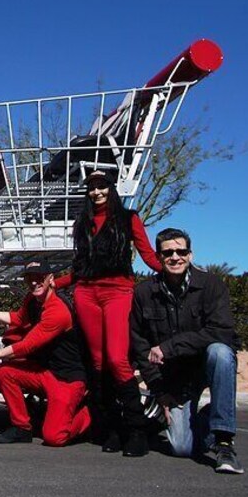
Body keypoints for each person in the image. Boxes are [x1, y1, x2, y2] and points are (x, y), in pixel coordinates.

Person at [55, 170, 163, 457]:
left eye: (102, 186)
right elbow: (80, 268)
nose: (96, 192)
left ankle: (136, 429)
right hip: (87, 293)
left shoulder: (130, 219)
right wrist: (53, 283)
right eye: (91, 188)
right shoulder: (83, 223)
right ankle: (113, 428)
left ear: (111, 188)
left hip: (118, 292)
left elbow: (149, 256)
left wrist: (175, 268)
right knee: (99, 364)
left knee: (117, 359)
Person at [130, 228, 244, 474]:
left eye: (181, 251)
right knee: (182, 447)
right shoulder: (144, 293)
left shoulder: (212, 286)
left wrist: (170, 346)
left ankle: (224, 441)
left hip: (205, 366)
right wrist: (159, 392)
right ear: (158, 257)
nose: (175, 257)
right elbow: (139, 345)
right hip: (175, 378)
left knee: (221, 353)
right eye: (168, 252)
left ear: (190, 255)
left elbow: (222, 332)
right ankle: (206, 417)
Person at [0, 262, 91, 447]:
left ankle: (91, 414)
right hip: (44, 372)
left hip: (66, 379)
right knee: (5, 372)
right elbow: (18, 319)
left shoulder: (58, 311)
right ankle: (21, 427)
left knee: (54, 437)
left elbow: (26, 346)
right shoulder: (32, 300)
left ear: (50, 279)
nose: (34, 283)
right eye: (29, 278)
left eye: (39, 278)